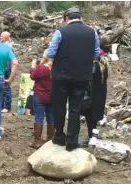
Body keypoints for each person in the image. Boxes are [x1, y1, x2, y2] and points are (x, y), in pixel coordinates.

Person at [45, 7, 100, 151]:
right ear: (80, 18)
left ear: (66, 18)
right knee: (75, 108)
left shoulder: (60, 32)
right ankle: (72, 141)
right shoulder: (92, 32)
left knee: (59, 106)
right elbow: (95, 54)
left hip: (61, 77)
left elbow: (50, 53)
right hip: (82, 77)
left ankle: (59, 136)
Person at [80, 53, 109, 143]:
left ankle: (91, 138)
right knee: (93, 120)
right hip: (99, 98)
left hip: (91, 98)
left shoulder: (94, 67)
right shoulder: (104, 67)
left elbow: (89, 84)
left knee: (89, 118)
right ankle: (92, 138)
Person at [29, 51, 54, 149]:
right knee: (51, 118)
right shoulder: (57, 68)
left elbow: (32, 76)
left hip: (40, 95)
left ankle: (37, 141)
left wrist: (33, 66)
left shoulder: (42, 67)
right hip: (53, 96)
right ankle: (50, 140)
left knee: (39, 117)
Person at [0, 31, 13, 113]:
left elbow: (8, 61)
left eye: (1, 36)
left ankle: (7, 106)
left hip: (5, 70)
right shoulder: (4, 46)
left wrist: (5, 70)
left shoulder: (7, 47)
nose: (0, 37)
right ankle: (1, 105)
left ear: (5, 38)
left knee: (6, 88)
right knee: (1, 88)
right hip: (3, 69)